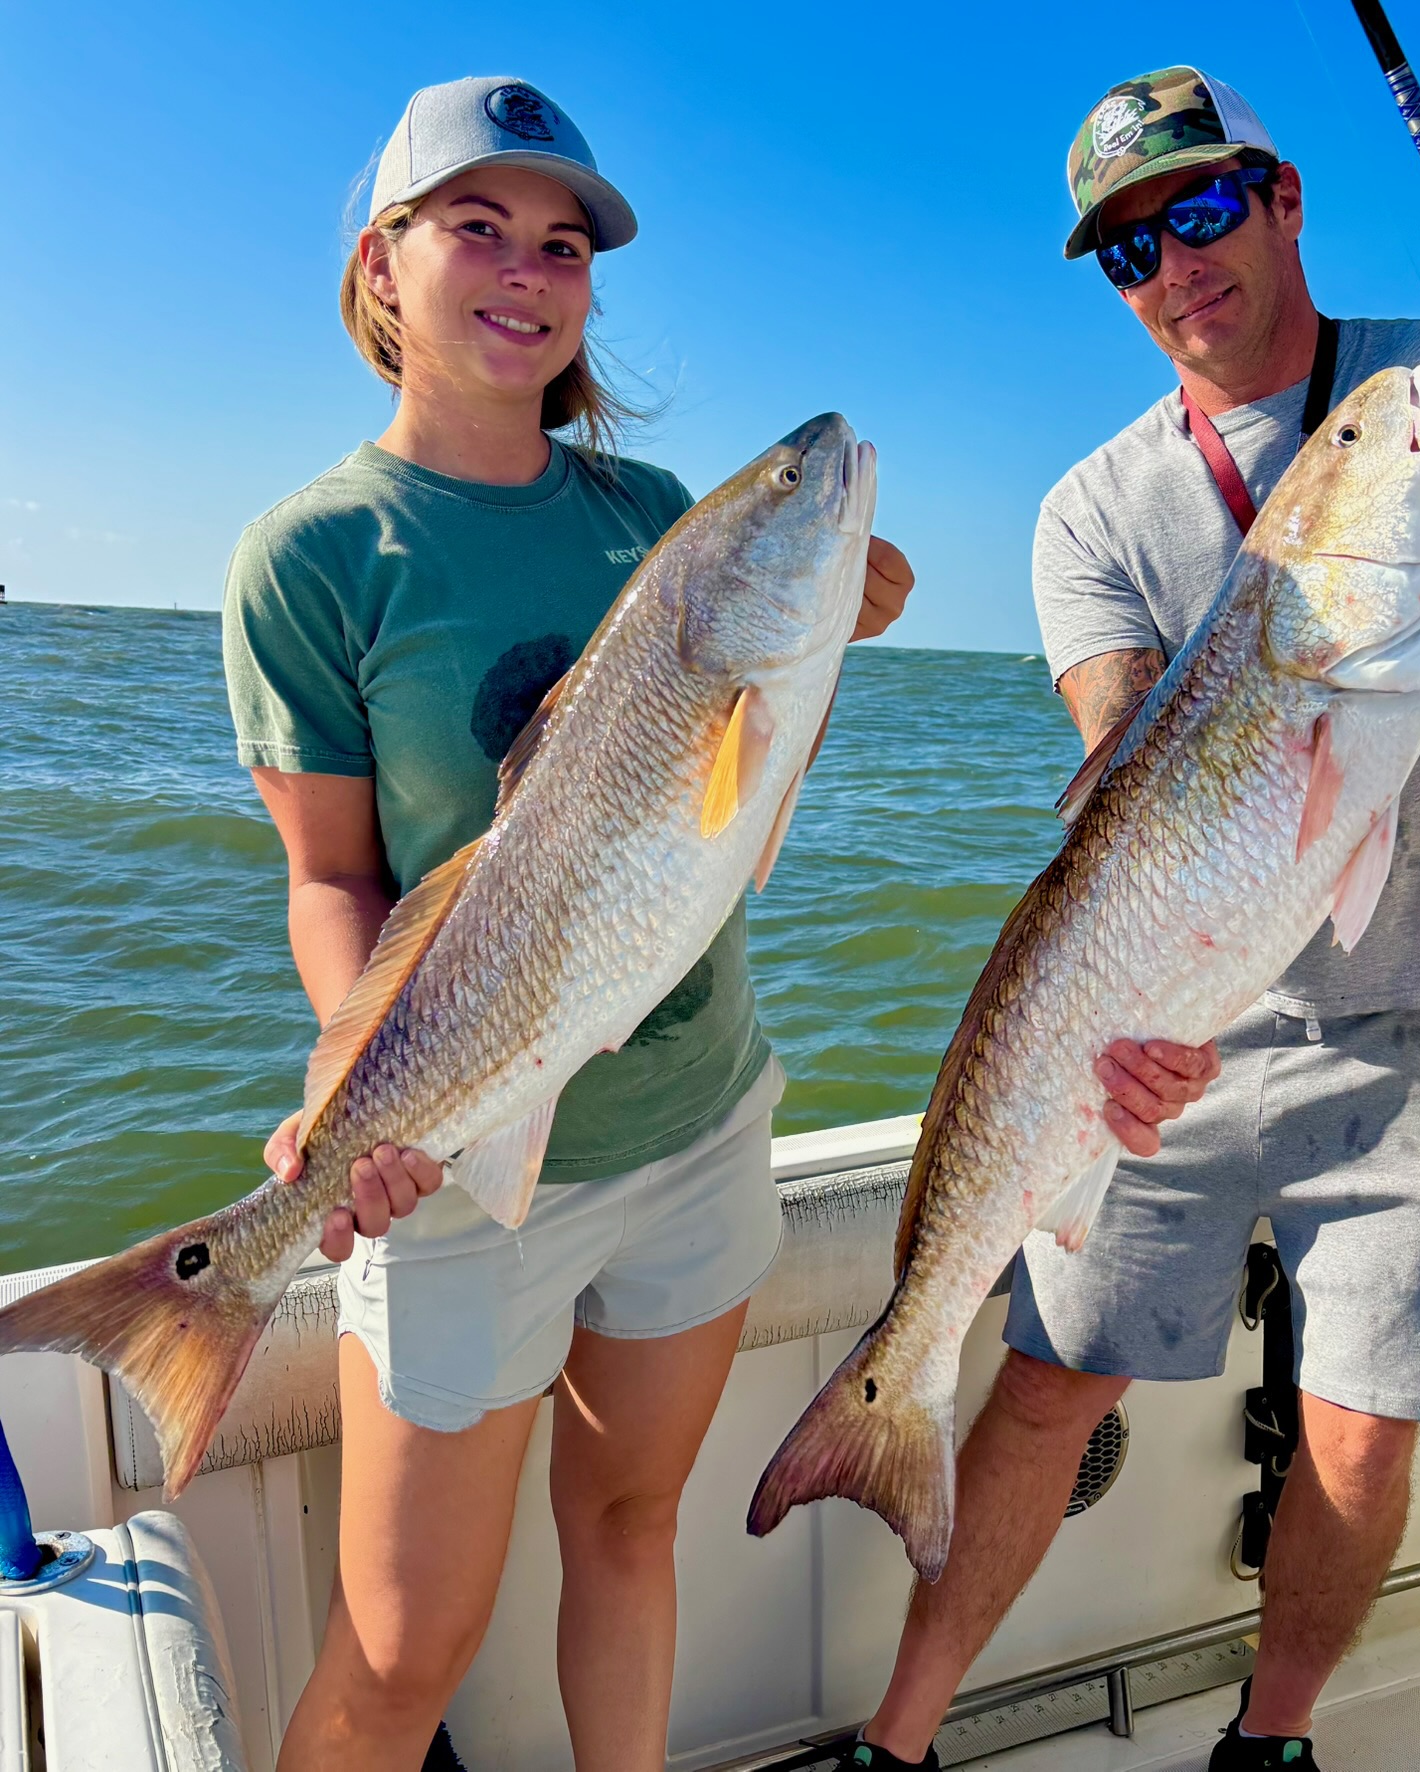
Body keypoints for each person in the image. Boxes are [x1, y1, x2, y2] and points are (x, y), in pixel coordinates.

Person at [834, 64, 1420, 1772]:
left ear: (1279, 199)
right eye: (1128, 248)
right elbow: (1133, 780)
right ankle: (892, 1743)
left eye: (1199, 209)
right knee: (1044, 1383)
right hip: (1178, 995)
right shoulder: (1088, 513)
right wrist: (1122, 1030)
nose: (1174, 264)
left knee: (1360, 1427)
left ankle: (1269, 1743)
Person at [221, 77, 919, 1771]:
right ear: (385, 262)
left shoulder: (651, 520)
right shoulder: (312, 557)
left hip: (694, 1127)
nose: (528, 270)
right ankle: (210, 1290)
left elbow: (735, 817)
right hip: (458, 1170)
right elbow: (335, 880)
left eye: (564, 243)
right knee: (403, 1654)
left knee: (629, 1533)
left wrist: (823, 629)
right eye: (478, 226)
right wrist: (351, 1077)